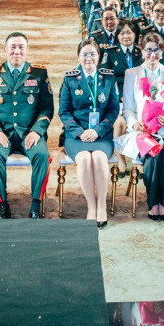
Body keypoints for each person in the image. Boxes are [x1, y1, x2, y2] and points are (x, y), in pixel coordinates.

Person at [0, 32, 55, 219]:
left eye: (21, 47)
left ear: (27, 50)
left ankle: (35, 205)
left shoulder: (39, 73)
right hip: (3, 133)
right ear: (5, 50)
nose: (17, 51)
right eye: (12, 47)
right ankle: (3, 204)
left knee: (42, 155)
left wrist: (37, 132)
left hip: (29, 133)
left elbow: (46, 108)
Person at [58, 39, 120, 228]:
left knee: (99, 158)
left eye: (93, 54)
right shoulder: (70, 79)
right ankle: (91, 206)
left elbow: (113, 110)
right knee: (85, 159)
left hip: (102, 134)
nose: (89, 58)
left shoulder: (108, 78)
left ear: (99, 57)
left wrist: (97, 130)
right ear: (78, 57)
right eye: (84, 54)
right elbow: (64, 112)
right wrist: (80, 132)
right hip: (76, 135)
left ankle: (102, 205)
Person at [123, 32, 164, 221]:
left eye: (157, 50)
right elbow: (128, 109)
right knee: (154, 155)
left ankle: (162, 204)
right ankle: (153, 202)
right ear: (142, 51)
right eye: (148, 50)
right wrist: (135, 124)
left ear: (162, 52)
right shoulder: (131, 74)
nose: (152, 54)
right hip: (143, 132)